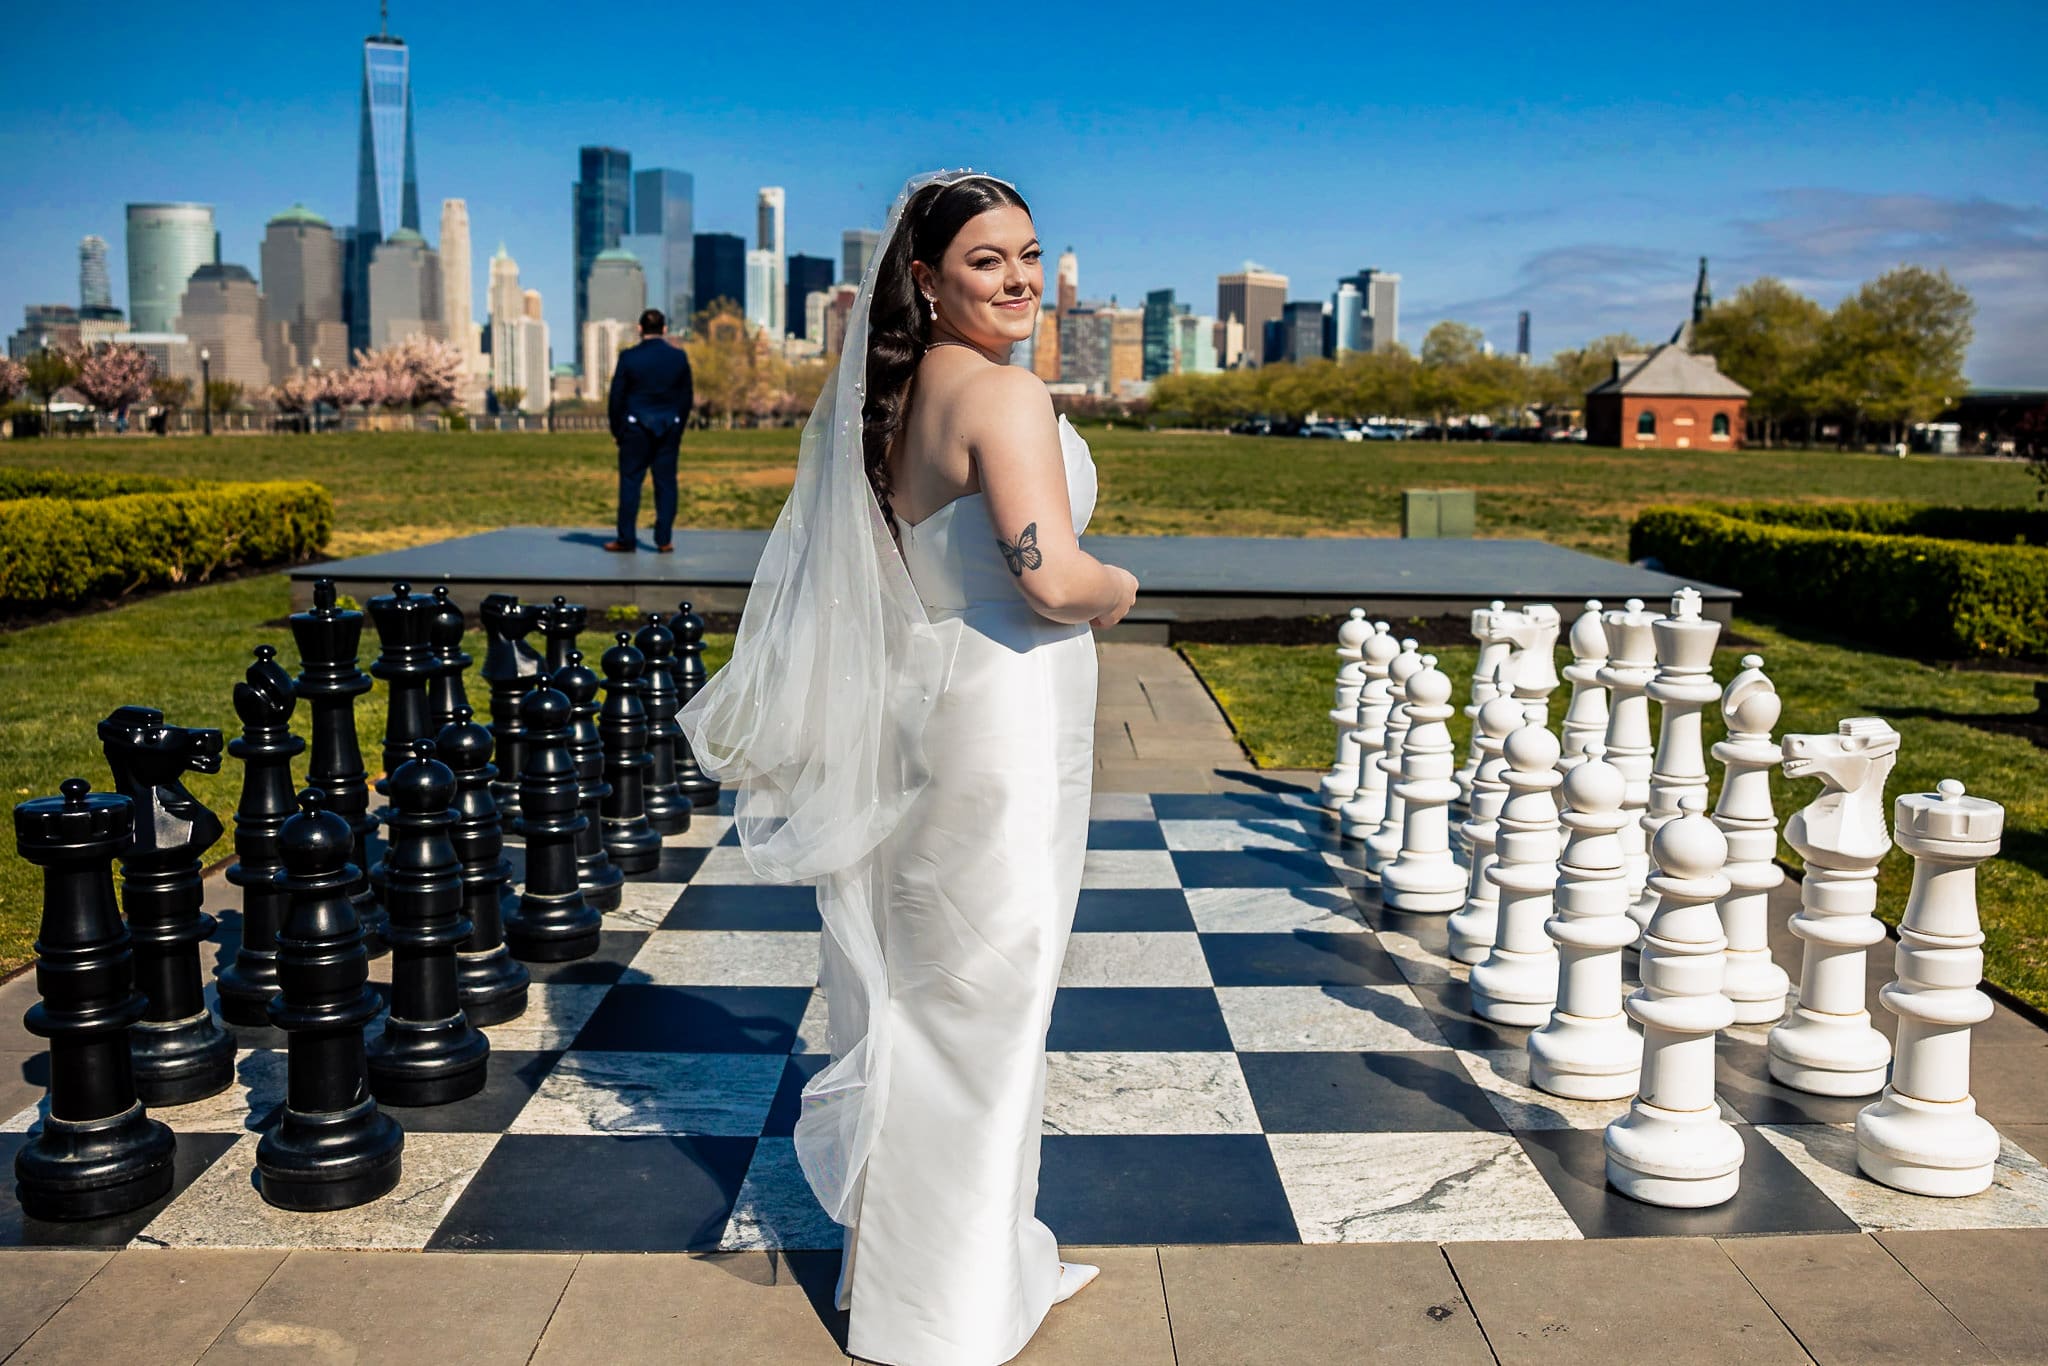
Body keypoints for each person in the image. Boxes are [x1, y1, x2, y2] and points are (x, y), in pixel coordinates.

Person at [679, 170, 1138, 1366]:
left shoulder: (883, 406)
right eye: (987, 260)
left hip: (927, 709)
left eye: (1030, 253)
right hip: (1006, 715)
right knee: (988, 1005)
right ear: (925, 279)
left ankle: (936, 1278)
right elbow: (1048, 576)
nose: (1020, 278)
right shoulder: (1004, 394)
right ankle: (949, 1312)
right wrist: (1119, 584)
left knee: (934, 998)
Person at [604, 307, 694, 552]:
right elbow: (686, 397)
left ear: (640, 328)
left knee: (631, 483)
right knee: (666, 483)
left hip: (635, 429)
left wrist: (617, 430)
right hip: (668, 427)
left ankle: (626, 539)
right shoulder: (678, 358)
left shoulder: (628, 358)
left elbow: (616, 398)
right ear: (664, 330)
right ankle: (664, 539)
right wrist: (679, 424)